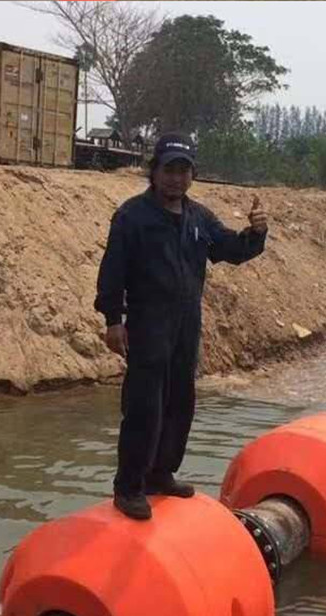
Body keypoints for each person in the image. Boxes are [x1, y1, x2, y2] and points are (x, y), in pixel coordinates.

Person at [94, 133, 269, 520]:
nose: (176, 178)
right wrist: (113, 320)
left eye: (183, 171)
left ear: (192, 175)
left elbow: (231, 250)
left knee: (179, 403)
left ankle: (161, 474)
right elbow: (113, 272)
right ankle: (129, 486)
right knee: (144, 407)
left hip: (186, 325)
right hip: (147, 324)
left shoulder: (199, 218)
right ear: (153, 172)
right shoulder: (131, 216)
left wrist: (255, 233)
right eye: (168, 169)